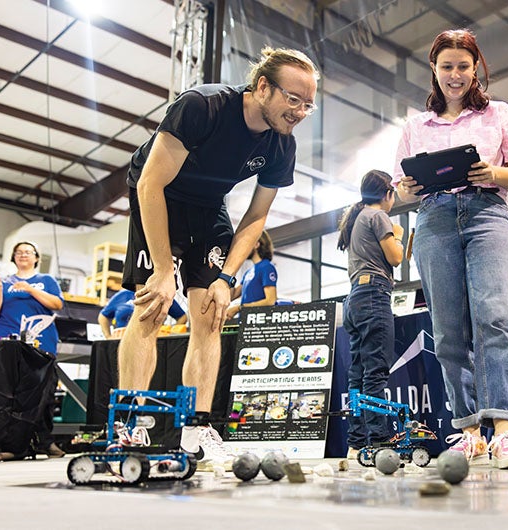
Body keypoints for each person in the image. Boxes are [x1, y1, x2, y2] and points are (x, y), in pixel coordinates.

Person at [118, 46, 319, 469]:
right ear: (262, 86)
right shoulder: (201, 107)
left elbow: (256, 216)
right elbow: (151, 185)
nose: (300, 111)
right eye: (293, 99)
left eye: (308, 105)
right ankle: (128, 423)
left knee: (209, 313)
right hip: (160, 196)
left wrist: (227, 278)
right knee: (152, 309)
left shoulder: (282, 145)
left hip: (209, 207)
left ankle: (197, 428)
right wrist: (160, 270)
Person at [394, 29, 508, 467]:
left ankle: (505, 431)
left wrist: (491, 171)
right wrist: (409, 186)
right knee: (449, 328)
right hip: (433, 220)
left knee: (494, 316)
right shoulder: (415, 125)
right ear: (434, 70)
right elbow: (399, 189)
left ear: (477, 70)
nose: (455, 75)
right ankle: (469, 430)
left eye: (463, 66)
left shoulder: (499, 114)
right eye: (447, 66)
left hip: (487, 213)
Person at [337, 170, 404, 458]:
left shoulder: (357, 217)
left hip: (354, 298)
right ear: (387, 193)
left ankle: (355, 443)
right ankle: (379, 439)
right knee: (375, 372)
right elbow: (396, 257)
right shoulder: (377, 216)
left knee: (358, 374)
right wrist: (398, 236)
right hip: (374, 295)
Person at [0, 241, 65, 458]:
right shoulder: (4, 281)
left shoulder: (46, 280)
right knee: (6, 393)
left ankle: (45, 442)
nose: (23, 255)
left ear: (36, 258)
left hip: (40, 343)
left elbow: (57, 304)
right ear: (13, 257)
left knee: (44, 395)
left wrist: (29, 289)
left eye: (28, 252)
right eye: (18, 252)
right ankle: (7, 444)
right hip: (7, 342)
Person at [225, 230, 278, 321]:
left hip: (258, 324)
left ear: (257, 244)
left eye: (248, 244)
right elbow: (232, 295)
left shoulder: (267, 267)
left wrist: (239, 308)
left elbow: (270, 300)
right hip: (245, 323)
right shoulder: (249, 272)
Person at [98, 287, 187, 339]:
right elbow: (103, 316)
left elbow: (182, 317)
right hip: (121, 340)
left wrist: (169, 333)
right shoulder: (122, 295)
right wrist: (108, 336)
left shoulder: (160, 294)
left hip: (151, 341)